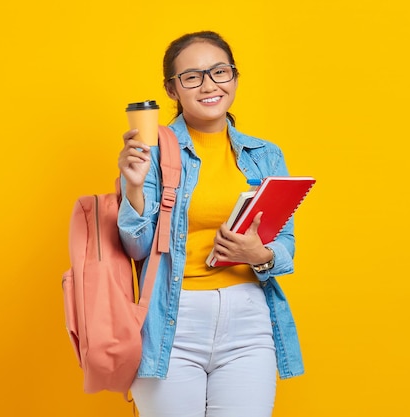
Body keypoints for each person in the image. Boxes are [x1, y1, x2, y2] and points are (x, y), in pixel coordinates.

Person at [117, 31, 304, 417]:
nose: (209, 85)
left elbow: (285, 245)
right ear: (172, 89)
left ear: (234, 77)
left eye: (220, 72)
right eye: (192, 76)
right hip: (173, 320)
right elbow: (136, 250)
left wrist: (261, 255)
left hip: (250, 320)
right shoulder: (151, 152)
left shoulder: (265, 154)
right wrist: (133, 188)